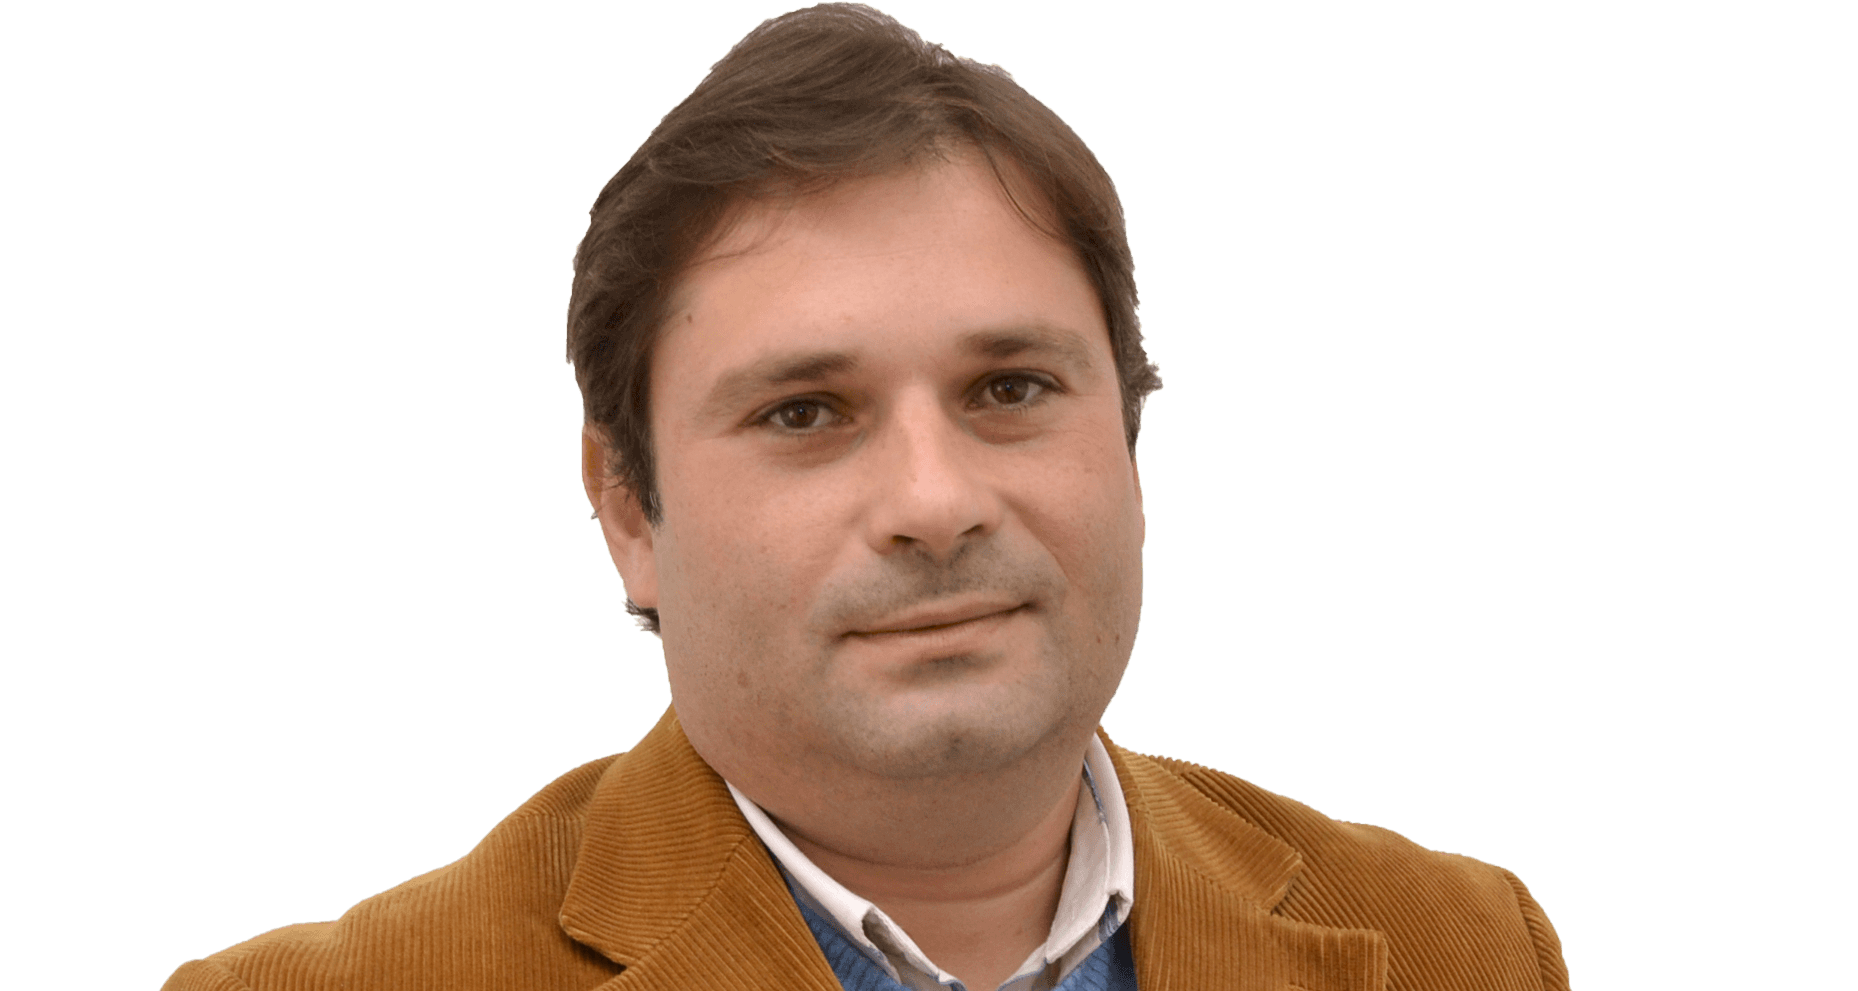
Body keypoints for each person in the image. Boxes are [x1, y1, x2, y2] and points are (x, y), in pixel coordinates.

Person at [163, 4, 1569, 990]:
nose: (935, 502)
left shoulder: (1456, 949)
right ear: (630, 509)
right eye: (805, 413)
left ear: (1130, 442)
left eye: (1009, 387)